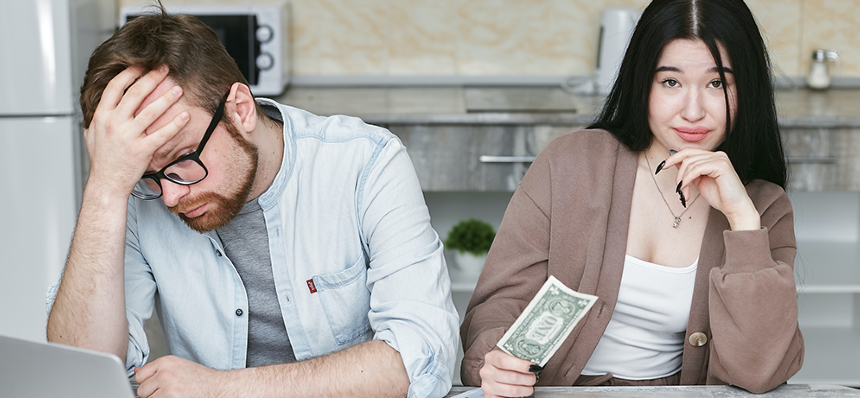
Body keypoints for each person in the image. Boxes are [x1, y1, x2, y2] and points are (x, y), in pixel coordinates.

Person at [45, 5, 459, 398]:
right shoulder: (138, 195)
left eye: (182, 160)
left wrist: (220, 389)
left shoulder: (365, 163)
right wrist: (105, 187)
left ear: (240, 110)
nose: (169, 196)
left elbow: (421, 355)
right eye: (146, 176)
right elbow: (81, 370)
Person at [460, 0, 803, 396]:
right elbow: (499, 304)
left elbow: (760, 371)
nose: (693, 111)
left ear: (747, 90)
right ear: (643, 84)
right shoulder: (571, 163)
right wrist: (496, 358)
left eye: (717, 83)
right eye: (670, 82)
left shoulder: (763, 207)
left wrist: (743, 220)